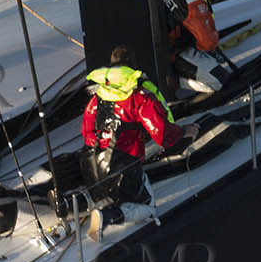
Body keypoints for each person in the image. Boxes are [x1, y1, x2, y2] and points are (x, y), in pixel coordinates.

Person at [80, 45, 200, 239]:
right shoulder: (138, 98)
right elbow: (161, 133)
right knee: (148, 208)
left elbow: (87, 131)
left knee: (110, 192)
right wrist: (184, 131)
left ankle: (90, 206)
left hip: (93, 164)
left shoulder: (96, 97)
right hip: (123, 165)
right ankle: (107, 216)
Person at [163, 0, 240, 94]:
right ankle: (172, 82)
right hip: (174, 51)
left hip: (160, 43)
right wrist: (211, 44)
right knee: (219, 79)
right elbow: (207, 42)